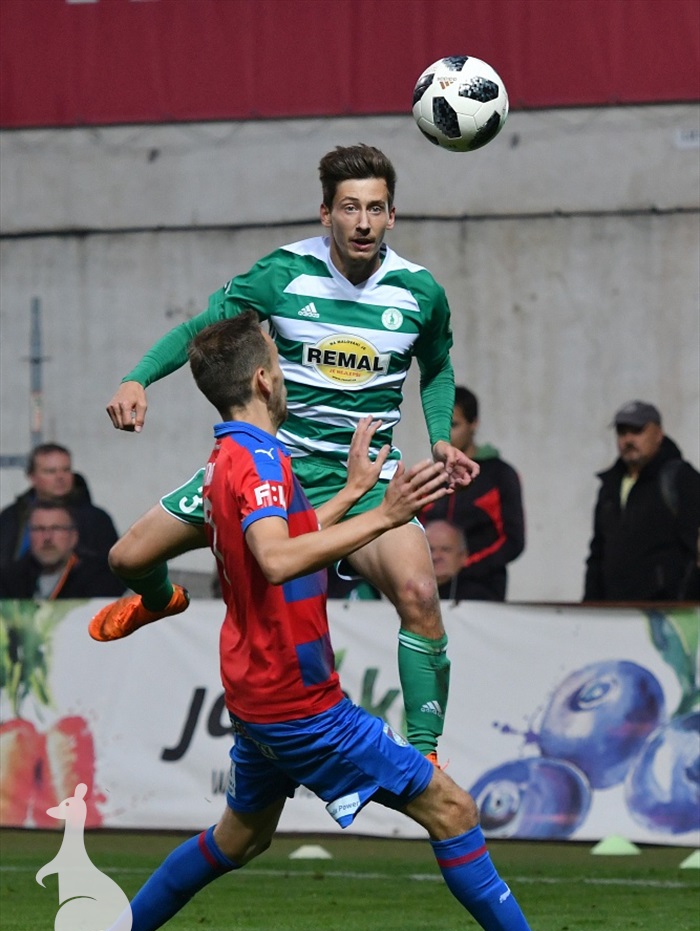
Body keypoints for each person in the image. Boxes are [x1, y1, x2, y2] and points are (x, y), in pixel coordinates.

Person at [78, 314, 633, 931]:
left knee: (238, 837)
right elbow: (276, 557)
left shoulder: (225, 459)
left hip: (254, 697)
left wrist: (348, 490)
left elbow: (185, 548)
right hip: (301, 705)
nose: (286, 371)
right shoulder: (263, 460)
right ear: (263, 378)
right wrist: (384, 510)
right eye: (280, 360)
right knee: (453, 807)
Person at [89, 144, 481, 763]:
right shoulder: (281, 274)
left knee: (421, 595)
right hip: (271, 469)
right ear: (325, 212)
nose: (362, 223)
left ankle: (426, 754)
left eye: (375, 209)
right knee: (126, 557)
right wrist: (138, 378)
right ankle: (161, 598)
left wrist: (439, 439)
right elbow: (202, 331)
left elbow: (436, 370)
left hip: (363, 479)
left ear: (392, 216)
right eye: (349, 208)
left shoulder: (419, 293)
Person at [583, 400, 700, 602]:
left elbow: (695, 549)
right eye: (622, 432)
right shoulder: (610, 486)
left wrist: (684, 600)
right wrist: (589, 608)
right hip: (613, 614)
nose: (628, 439)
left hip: (667, 615)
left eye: (637, 431)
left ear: (658, 434)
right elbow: (598, 554)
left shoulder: (680, 478)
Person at [421, 386, 525, 601]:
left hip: (481, 591)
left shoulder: (500, 474)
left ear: (473, 424)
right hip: (428, 590)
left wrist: (461, 565)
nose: (446, 434)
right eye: (439, 426)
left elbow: (513, 541)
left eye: (454, 425)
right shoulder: (430, 476)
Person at [0, 443, 120, 572]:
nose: (60, 477)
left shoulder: (97, 520)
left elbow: (111, 569)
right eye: (50, 471)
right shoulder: (11, 517)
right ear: (32, 476)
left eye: (66, 469)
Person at [0, 501, 125, 599]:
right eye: (39, 529)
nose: (47, 537)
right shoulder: (8, 580)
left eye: (56, 528)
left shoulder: (101, 580)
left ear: (74, 536)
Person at [425, 519, 469, 602]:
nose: (435, 556)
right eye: (430, 549)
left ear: (462, 556)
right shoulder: (404, 592)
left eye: (445, 550)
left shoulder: (481, 597)